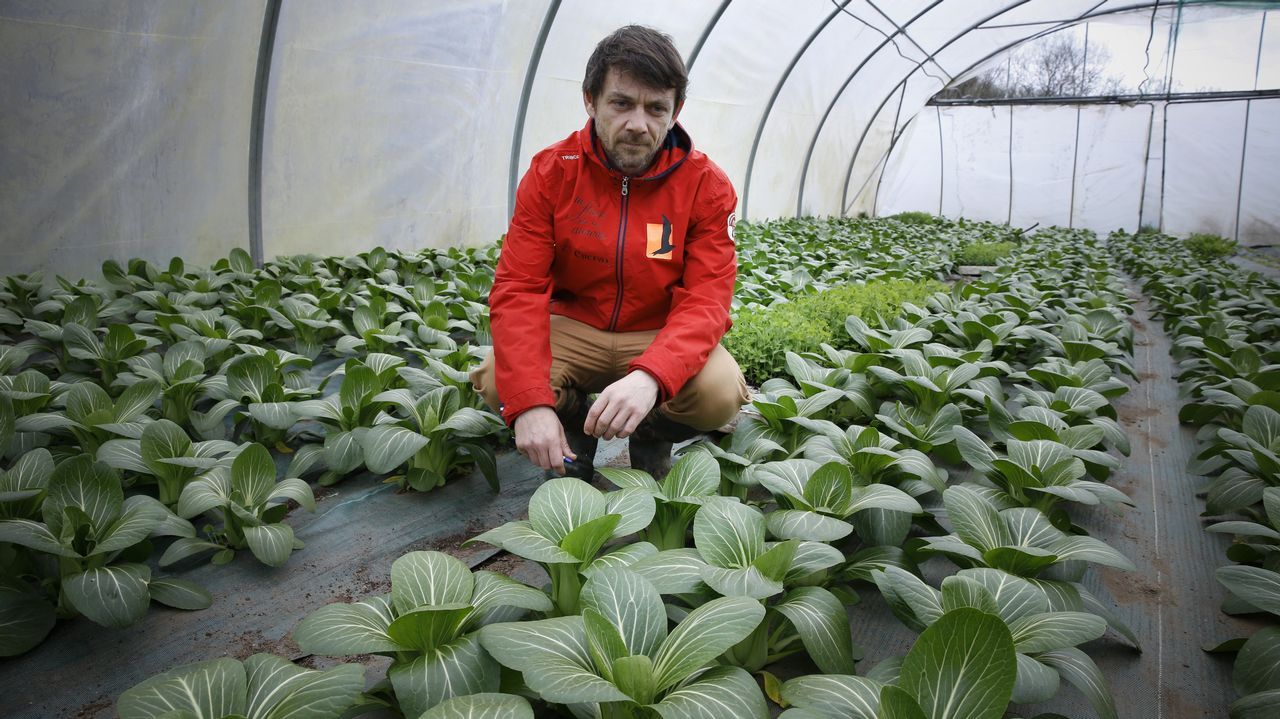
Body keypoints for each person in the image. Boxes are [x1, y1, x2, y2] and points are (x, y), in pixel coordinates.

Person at [470, 25, 749, 480]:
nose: (638, 124)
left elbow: (707, 300)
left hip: (655, 330)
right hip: (576, 325)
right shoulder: (551, 173)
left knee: (719, 391)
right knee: (499, 377)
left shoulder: (706, 186)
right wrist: (531, 403)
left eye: (656, 108)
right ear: (590, 100)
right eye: (621, 103)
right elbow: (518, 288)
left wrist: (652, 378)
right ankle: (574, 420)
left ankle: (649, 432)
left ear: (675, 110)